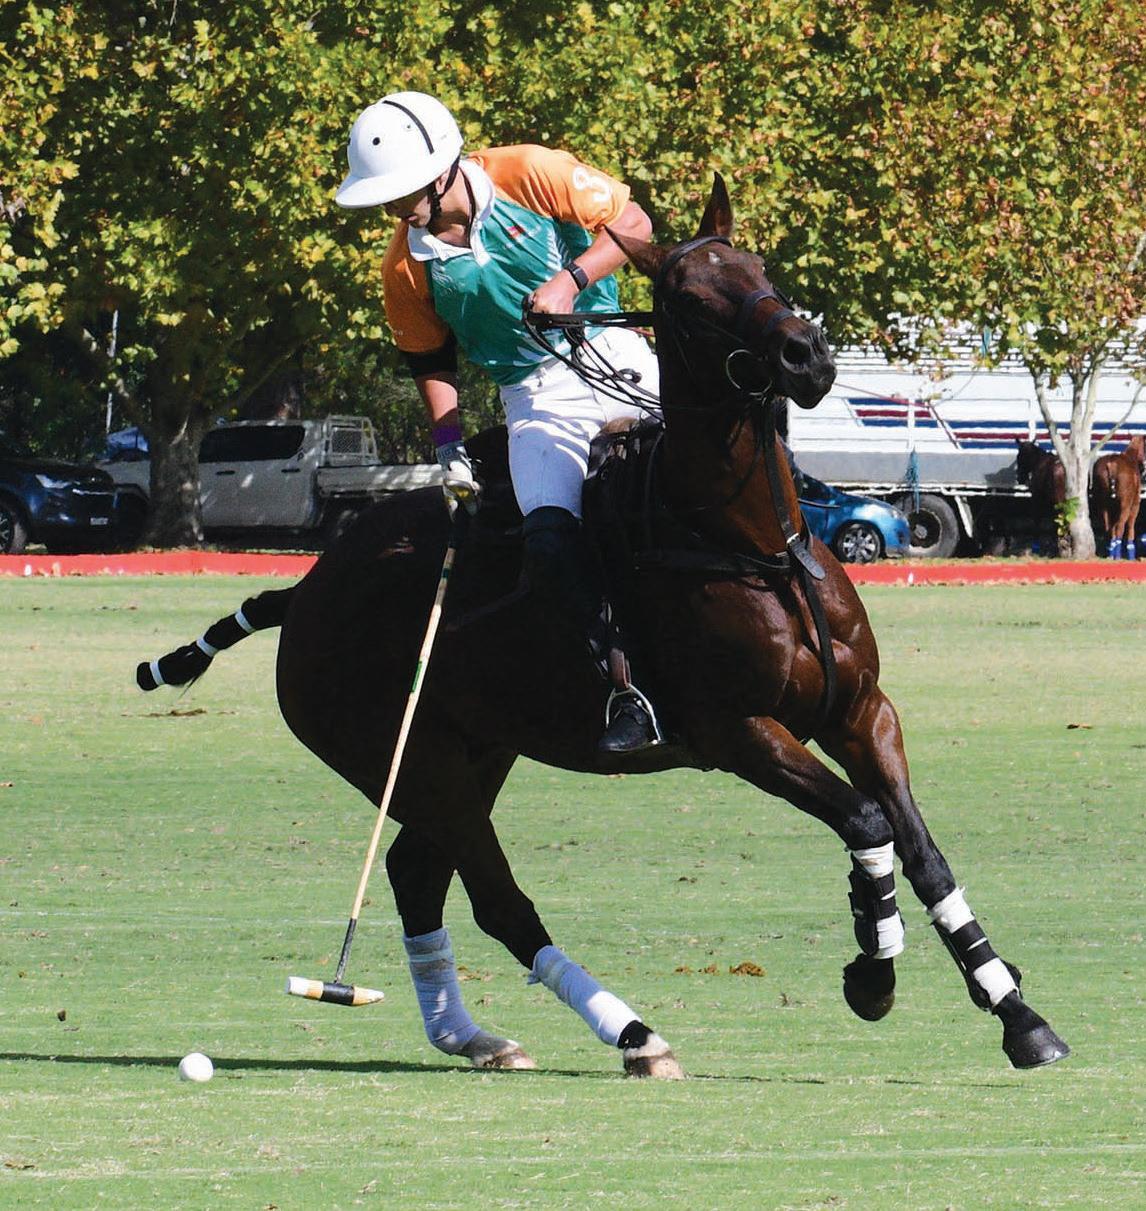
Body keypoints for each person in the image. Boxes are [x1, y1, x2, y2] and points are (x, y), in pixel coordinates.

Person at [336, 91, 663, 755]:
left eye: (401, 193)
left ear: (441, 171)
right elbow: (430, 359)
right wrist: (448, 447)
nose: (394, 209)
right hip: (534, 394)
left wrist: (571, 280)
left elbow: (635, 223)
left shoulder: (529, 172)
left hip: (614, 352)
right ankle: (626, 689)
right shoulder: (405, 268)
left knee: (716, 463)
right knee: (549, 542)